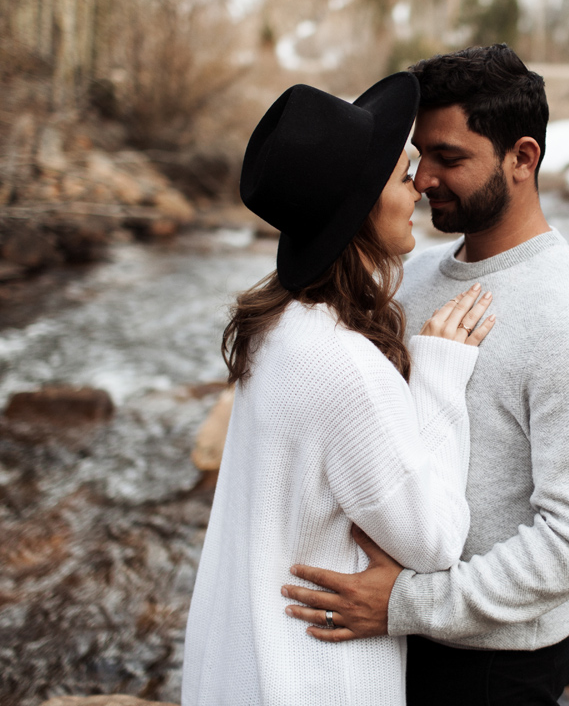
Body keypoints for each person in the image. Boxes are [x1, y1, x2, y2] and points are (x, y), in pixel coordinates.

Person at [283, 44, 569, 705]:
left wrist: (409, 604)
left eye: (451, 159)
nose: (423, 182)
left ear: (523, 158)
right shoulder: (411, 276)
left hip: (490, 667)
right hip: (385, 634)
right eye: (421, 158)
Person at [181, 72, 499, 706]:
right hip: (306, 679)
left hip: (233, 670)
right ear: (359, 207)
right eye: (402, 174)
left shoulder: (274, 326)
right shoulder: (344, 367)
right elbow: (435, 541)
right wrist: (438, 374)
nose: (419, 189)